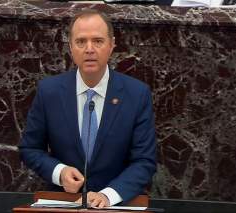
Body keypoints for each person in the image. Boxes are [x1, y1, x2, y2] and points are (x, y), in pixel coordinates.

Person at [19, 9, 156, 208]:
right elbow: (30, 148)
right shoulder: (49, 92)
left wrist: (108, 195)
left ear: (112, 45)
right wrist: (60, 172)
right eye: (81, 41)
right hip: (64, 202)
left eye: (98, 41)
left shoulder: (136, 94)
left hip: (117, 205)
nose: (89, 49)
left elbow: (144, 161)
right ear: (71, 48)